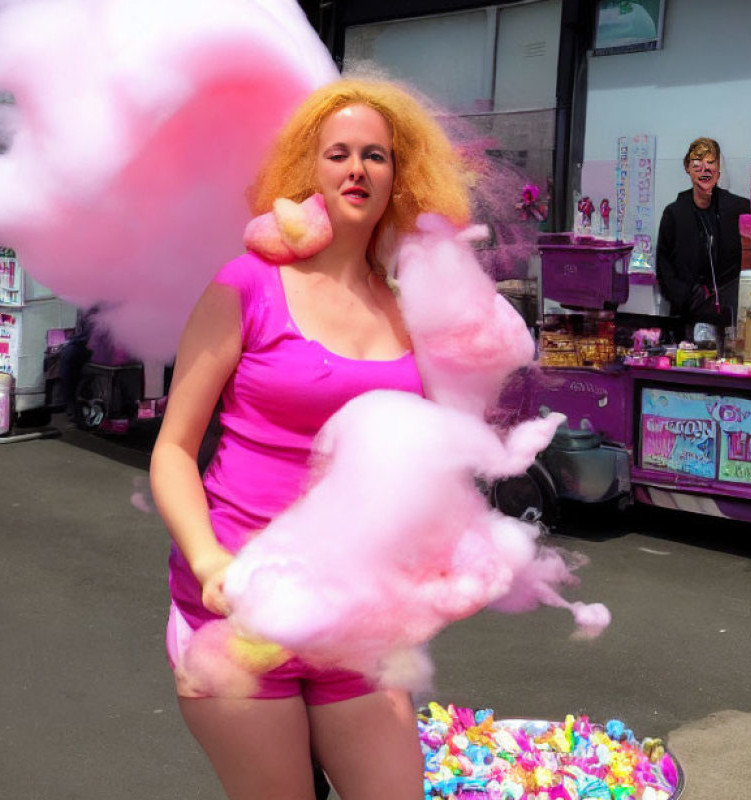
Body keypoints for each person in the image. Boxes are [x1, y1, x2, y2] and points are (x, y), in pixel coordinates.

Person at [149, 79, 471, 800]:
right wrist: (209, 561)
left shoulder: (407, 306)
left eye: (376, 156)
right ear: (310, 171)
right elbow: (173, 448)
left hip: (354, 621)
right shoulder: (248, 285)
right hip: (240, 615)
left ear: (401, 178)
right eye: (339, 153)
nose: (357, 168)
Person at [656, 137, 751, 332]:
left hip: (730, 318)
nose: (704, 169)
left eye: (710, 162)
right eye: (697, 163)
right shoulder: (674, 214)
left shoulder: (739, 208)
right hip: (687, 318)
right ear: (687, 167)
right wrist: (687, 297)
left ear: (718, 168)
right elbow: (663, 268)